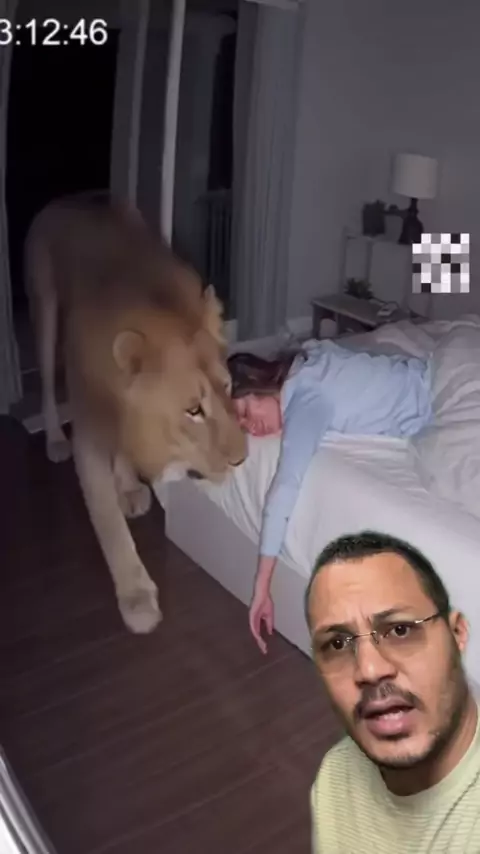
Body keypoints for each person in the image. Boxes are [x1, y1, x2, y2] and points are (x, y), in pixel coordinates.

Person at [228, 341, 433, 652]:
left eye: (245, 411)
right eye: (243, 427)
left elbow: (284, 488)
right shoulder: (308, 363)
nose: (251, 428)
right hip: (426, 375)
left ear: (258, 384)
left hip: (438, 399)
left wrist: (261, 586)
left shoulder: (307, 400)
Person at [305, 530, 479, 853]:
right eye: (337, 644)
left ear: (457, 634)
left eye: (400, 630)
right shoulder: (334, 779)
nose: (369, 670)